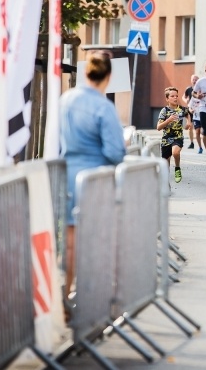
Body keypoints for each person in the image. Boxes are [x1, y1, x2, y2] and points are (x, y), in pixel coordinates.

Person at [60, 51, 126, 297]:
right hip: (94, 179)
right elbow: (115, 152)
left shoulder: (65, 100)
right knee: (95, 240)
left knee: (69, 242)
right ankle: (90, 299)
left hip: (65, 176)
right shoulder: (103, 107)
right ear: (108, 76)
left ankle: (65, 295)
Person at [158, 86, 189, 183]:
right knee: (165, 166)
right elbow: (158, 127)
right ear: (167, 99)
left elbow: (188, 114)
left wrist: (189, 122)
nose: (175, 98)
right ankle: (166, 186)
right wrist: (168, 120)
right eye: (172, 96)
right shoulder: (164, 111)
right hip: (166, 139)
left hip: (178, 137)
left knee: (176, 152)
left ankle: (177, 168)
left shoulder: (182, 109)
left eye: (176, 96)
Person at [182, 74, 200, 149]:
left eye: (196, 79)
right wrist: (186, 100)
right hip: (189, 109)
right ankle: (191, 143)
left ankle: (199, 142)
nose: (194, 81)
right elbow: (183, 96)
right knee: (190, 126)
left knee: (198, 128)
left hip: (198, 110)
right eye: (193, 79)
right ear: (191, 80)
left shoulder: (200, 89)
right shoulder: (188, 89)